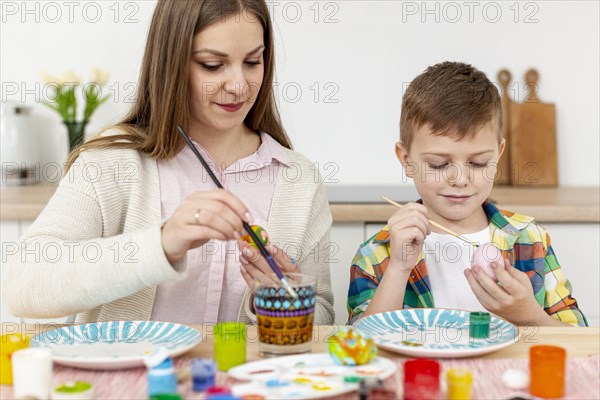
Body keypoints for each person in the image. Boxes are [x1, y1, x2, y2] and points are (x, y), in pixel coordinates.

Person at [3, 0, 334, 325]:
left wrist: (280, 306)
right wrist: (161, 245)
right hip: (129, 378)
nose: (238, 85)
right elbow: (24, 285)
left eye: (252, 62)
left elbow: (323, 316)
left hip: (246, 380)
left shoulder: (298, 178)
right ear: (171, 64)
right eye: (212, 65)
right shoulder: (111, 162)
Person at [347, 62, 587, 327]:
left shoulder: (531, 239)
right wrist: (398, 269)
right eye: (438, 164)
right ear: (406, 160)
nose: (460, 180)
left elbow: (579, 339)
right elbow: (361, 348)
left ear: (499, 155)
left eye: (478, 163)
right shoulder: (377, 253)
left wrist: (529, 314)